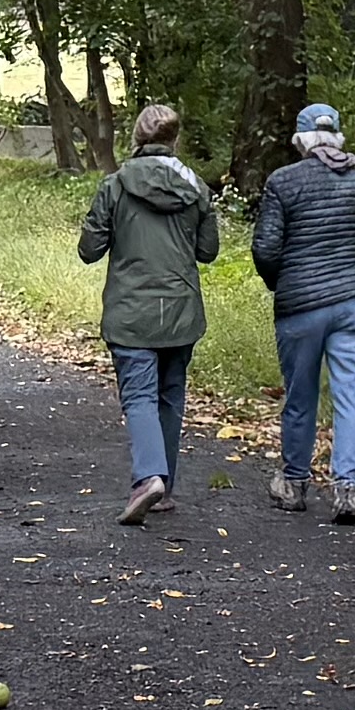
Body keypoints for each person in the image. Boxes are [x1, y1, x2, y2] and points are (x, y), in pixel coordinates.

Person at [79, 102, 223, 526]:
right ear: (174, 141)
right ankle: (163, 488)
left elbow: (90, 250)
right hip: (181, 309)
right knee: (170, 397)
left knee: (139, 395)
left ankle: (148, 480)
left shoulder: (116, 185)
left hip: (131, 310)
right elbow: (208, 251)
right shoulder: (196, 188)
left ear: (137, 139)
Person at [251, 99, 355, 521]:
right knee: (352, 396)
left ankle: (293, 483)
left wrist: (283, 280)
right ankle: (347, 488)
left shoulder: (283, 181)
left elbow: (266, 248)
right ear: (337, 136)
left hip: (300, 305)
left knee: (300, 395)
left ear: (301, 140)